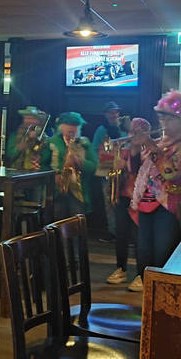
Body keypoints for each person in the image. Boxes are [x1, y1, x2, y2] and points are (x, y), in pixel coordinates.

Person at [129, 91, 181, 292]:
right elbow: (136, 171)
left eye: (169, 119)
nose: (164, 123)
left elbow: (171, 172)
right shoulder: (162, 143)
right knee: (144, 251)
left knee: (163, 253)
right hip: (146, 204)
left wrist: (149, 145)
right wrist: (134, 150)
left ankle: (162, 295)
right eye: (162, 118)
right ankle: (148, 292)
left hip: (170, 207)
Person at [104, 117, 150, 286]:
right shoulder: (123, 151)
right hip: (123, 195)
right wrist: (116, 166)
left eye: (139, 132)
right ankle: (121, 269)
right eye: (132, 131)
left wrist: (126, 164)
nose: (134, 135)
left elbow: (143, 172)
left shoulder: (149, 153)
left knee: (139, 238)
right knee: (121, 234)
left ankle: (141, 274)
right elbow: (111, 171)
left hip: (141, 199)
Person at [41, 112, 97, 219]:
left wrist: (80, 162)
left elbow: (94, 166)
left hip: (78, 191)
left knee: (77, 221)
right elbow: (43, 165)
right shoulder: (51, 142)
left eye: (74, 131)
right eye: (69, 131)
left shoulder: (84, 143)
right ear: (62, 128)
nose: (72, 134)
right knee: (56, 220)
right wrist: (53, 176)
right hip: (56, 191)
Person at [92, 101, 125, 245]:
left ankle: (125, 233)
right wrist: (100, 166)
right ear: (105, 114)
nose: (114, 115)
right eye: (111, 112)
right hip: (106, 169)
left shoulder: (124, 128)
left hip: (124, 170)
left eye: (116, 112)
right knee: (109, 202)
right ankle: (113, 232)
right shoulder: (101, 130)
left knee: (124, 202)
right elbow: (94, 149)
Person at [6, 106, 48, 170]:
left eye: (32, 118)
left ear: (37, 121)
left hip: (36, 170)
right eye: (27, 118)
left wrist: (36, 140)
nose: (29, 121)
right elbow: (9, 155)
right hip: (17, 171)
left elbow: (45, 156)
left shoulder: (43, 137)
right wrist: (22, 146)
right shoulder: (14, 135)